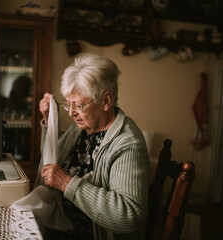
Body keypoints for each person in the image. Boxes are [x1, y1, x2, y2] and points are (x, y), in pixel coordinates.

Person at [37, 53, 150, 240]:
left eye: (79, 105)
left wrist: (67, 183)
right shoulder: (81, 128)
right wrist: (50, 121)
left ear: (106, 101)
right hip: (61, 229)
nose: (72, 113)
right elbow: (51, 162)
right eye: (68, 105)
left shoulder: (127, 143)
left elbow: (130, 216)